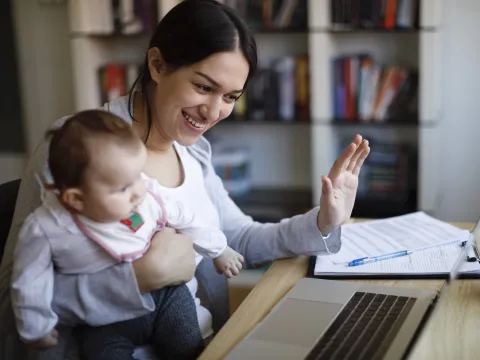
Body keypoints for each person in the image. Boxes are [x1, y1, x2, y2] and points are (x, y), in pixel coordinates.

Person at [0, 0, 370, 359]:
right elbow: (11, 300)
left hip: (200, 341)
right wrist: (140, 278)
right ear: (158, 64)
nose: (213, 111)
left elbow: (237, 238)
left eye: (230, 96)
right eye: (203, 87)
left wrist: (324, 221)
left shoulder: (194, 151)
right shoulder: (75, 146)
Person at [10, 109, 244, 360]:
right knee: (101, 353)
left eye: (138, 176)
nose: (138, 192)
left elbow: (187, 218)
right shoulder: (47, 227)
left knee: (186, 341)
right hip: (102, 319)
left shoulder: (144, 193)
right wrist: (36, 327)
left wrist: (219, 249)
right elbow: (29, 280)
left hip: (163, 296)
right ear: (76, 199)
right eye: (123, 188)